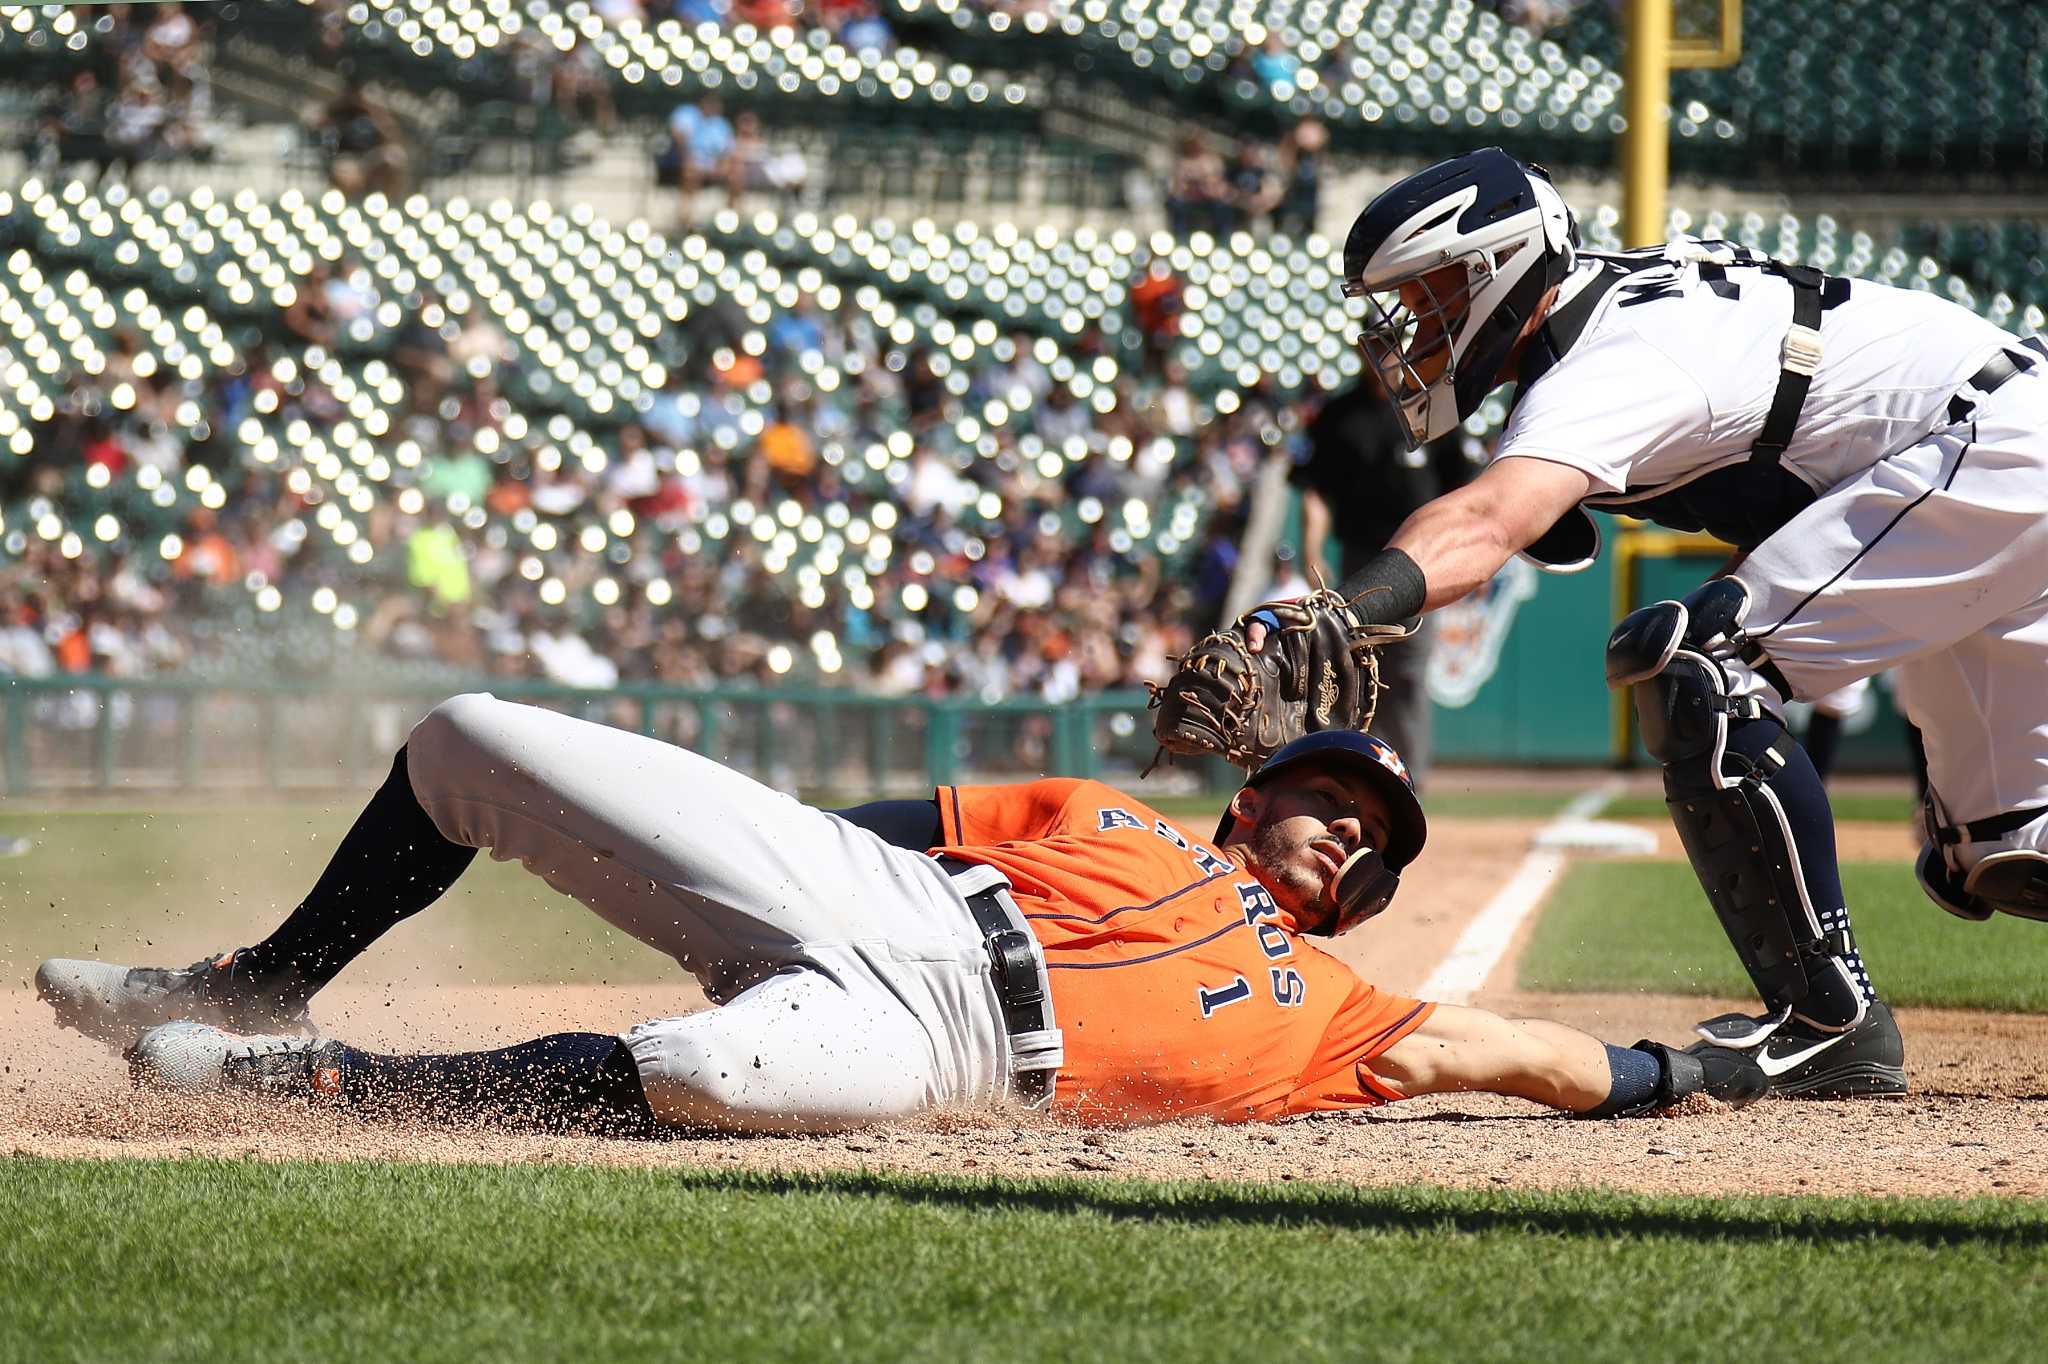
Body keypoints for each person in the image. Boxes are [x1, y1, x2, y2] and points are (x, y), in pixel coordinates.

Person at [1250, 146, 2048, 1097]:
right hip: (1993, 446)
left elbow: (1485, 522)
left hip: (1988, 450)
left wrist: (1337, 613)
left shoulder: (1609, 357)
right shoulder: (1610, 318)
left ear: (1498, 272)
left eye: (1428, 300)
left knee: (1703, 667)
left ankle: (1825, 1023)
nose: (1411, 333)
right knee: (2006, 852)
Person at [36, 698, 1764, 1134]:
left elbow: (1510, 1052)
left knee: (700, 1072)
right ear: (1251, 797)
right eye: (1322, 794)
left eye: (1365, 831)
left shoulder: (1334, 1007)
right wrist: (697, 859)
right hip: (872, 891)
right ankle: (255, 983)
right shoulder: (1099, 809)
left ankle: (325, 1083)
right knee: (470, 738)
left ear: (1370, 884)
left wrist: (1681, 1075)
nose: (1336, 828)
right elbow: (852, 829)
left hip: (951, 1048)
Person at [1293, 382, 1474, 787]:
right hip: (1361, 559)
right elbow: (1316, 490)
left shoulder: (1431, 408)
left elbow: (1463, 489)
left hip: (1420, 561)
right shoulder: (1340, 414)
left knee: (1407, 673)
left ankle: (1408, 782)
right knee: (1351, 669)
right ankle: (1354, 778)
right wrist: (1311, 548)